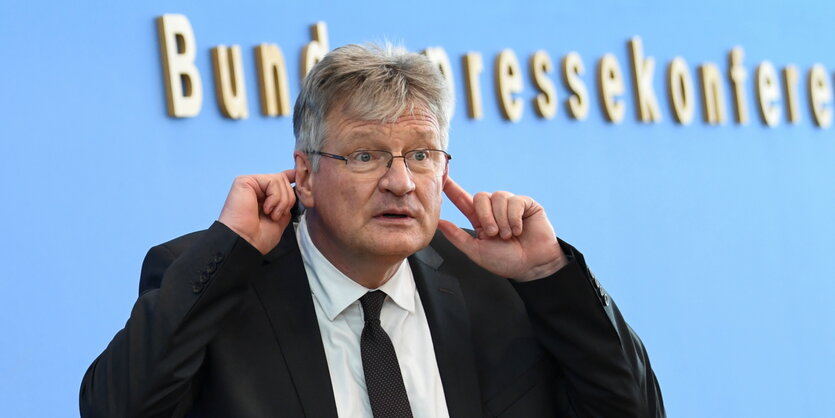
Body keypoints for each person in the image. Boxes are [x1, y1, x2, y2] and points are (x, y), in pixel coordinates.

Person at [80, 43, 665, 417]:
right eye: (365, 156)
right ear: (304, 173)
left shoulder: (498, 286)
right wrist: (227, 253)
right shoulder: (219, 281)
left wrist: (547, 276)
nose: (400, 183)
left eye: (420, 156)